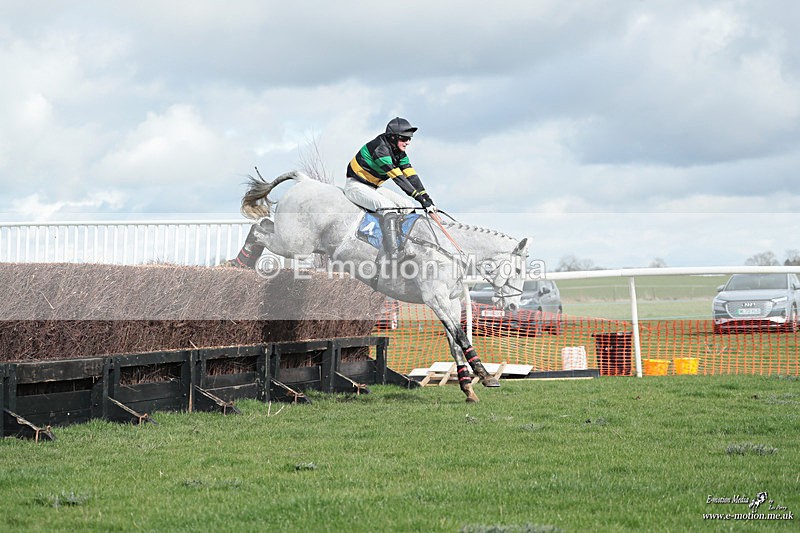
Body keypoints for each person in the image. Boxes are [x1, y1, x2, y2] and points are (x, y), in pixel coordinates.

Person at [345, 117, 436, 261]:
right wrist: (420, 199)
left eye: (409, 139)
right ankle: (393, 253)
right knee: (388, 208)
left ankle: (409, 244)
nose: (408, 142)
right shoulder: (380, 149)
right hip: (355, 186)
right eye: (404, 138)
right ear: (393, 137)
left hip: (373, 187)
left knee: (409, 206)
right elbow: (398, 178)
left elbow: (411, 176)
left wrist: (427, 198)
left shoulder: (399, 153)